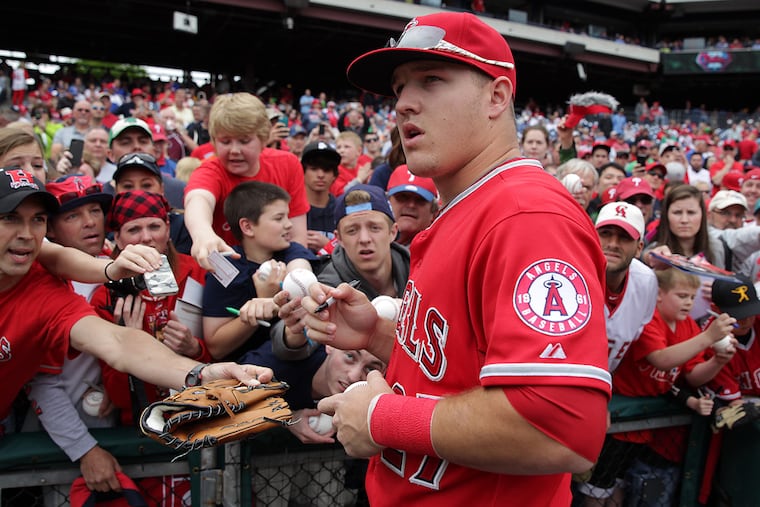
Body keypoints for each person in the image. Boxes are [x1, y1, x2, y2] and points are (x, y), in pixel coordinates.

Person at [299, 12, 611, 506]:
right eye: (400, 87)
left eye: (432, 79)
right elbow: (460, 371)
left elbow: (563, 428)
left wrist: (382, 418)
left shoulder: (525, 215)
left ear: (497, 97)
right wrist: (379, 336)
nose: (403, 102)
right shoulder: (472, 205)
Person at [0, 167, 273, 438]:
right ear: (117, 236)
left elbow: (119, 344)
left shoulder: (44, 291)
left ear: (168, 227)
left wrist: (201, 370)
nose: (26, 233)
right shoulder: (96, 288)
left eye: (37, 219)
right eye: (10, 218)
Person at [608, 268, 735, 505]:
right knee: (599, 488)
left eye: (692, 297)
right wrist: (708, 338)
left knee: (626, 485)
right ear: (658, 295)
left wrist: (717, 361)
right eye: (681, 295)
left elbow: (694, 376)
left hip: (648, 427)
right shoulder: (649, 319)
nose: (688, 302)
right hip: (620, 415)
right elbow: (661, 359)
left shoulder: (688, 326)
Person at [90, 190, 212, 424]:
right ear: (118, 238)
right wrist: (128, 345)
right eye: (133, 230)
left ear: (167, 228)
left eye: (154, 226)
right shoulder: (106, 295)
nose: (146, 237)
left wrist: (195, 348)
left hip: (199, 414)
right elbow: (119, 398)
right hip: (143, 425)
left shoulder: (198, 273)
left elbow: (221, 354)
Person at [183, 92, 309, 270]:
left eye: (244, 141)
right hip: (228, 278)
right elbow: (198, 199)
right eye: (225, 141)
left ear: (263, 139)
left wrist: (294, 275)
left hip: (279, 272)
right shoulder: (210, 171)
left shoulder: (288, 164)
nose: (235, 150)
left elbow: (297, 237)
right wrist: (202, 233)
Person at [202, 181, 314, 361]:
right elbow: (216, 346)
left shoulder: (290, 250)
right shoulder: (224, 267)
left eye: (288, 216)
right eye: (279, 218)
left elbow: (301, 272)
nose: (289, 225)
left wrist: (279, 296)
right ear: (247, 227)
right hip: (242, 371)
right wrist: (261, 304)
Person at [301, 141, 340, 255]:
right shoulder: (290, 209)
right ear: (303, 172)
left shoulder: (342, 210)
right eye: (314, 169)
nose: (320, 175)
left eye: (326, 170)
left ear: (334, 175)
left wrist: (329, 246)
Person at [386, 164, 438, 247]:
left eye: (420, 199)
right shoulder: (370, 243)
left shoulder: (439, 248)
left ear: (434, 213)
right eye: (403, 197)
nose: (411, 205)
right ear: (387, 202)